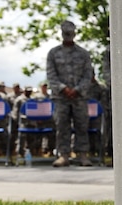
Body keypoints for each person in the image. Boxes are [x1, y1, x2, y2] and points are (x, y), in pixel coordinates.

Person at [46, 20, 93, 167]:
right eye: (65, 33)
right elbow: (51, 74)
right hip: (61, 97)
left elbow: (88, 75)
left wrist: (78, 89)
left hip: (80, 96)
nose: (68, 36)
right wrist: (63, 88)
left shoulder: (84, 54)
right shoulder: (53, 53)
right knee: (62, 126)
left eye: (70, 33)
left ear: (74, 34)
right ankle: (63, 155)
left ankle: (83, 155)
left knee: (81, 125)